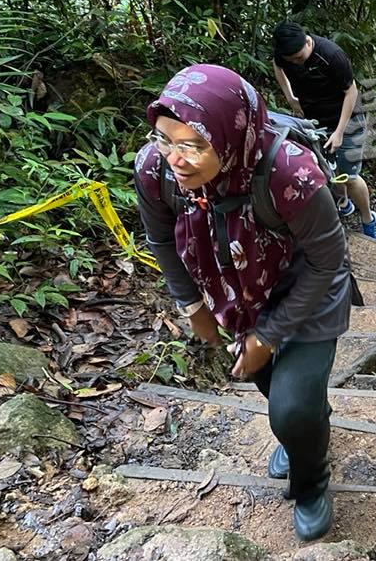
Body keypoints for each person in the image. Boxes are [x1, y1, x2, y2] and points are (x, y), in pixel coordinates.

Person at [134, 64, 355, 541]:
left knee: (290, 407)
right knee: (275, 388)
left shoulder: (290, 173)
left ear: (230, 136)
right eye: (164, 139)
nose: (176, 157)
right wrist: (192, 306)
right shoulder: (155, 170)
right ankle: (304, 432)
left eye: (194, 145)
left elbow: (328, 260)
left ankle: (311, 480)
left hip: (307, 289)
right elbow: (161, 240)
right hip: (234, 286)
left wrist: (269, 335)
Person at [272, 22, 376, 240]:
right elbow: (277, 65)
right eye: (291, 60)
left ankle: (368, 219)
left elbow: (351, 92)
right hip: (313, 120)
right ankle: (344, 204)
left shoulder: (331, 55)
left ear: (308, 42)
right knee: (324, 169)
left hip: (348, 120)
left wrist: (339, 132)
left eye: (299, 58)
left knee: (348, 176)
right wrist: (290, 98)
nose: (295, 62)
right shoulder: (286, 54)